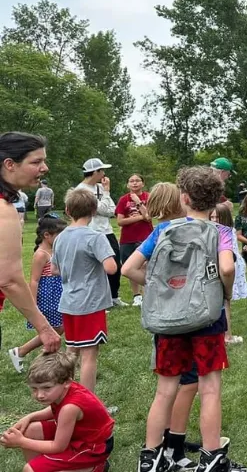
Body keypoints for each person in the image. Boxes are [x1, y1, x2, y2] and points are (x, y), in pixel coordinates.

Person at [122, 166, 244, 472]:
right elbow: (227, 268)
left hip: (169, 320)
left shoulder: (163, 230)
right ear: (216, 200)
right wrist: (225, 292)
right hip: (206, 320)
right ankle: (212, 457)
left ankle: (151, 458)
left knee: (165, 391)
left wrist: (161, 287)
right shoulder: (221, 232)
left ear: (184, 198)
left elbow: (128, 269)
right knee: (210, 389)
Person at [0, 351, 114, 472]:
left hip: (93, 448)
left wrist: (21, 442)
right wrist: (30, 417)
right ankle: (44, 466)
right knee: (30, 430)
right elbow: (55, 408)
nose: (39, 395)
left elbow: (58, 446)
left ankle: (95, 468)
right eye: (34, 388)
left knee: (29, 469)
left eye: (46, 388)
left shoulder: (70, 408)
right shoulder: (64, 389)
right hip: (78, 434)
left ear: (67, 382)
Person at [0, 132, 61, 354]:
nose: (44, 168)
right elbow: (9, 280)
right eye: (36, 162)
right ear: (10, 164)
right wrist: (44, 328)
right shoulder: (3, 209)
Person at [55, 188, 118, 394]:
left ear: (67, 210)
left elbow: (54, 269)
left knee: (71, 351)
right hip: (90, 303)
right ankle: (87, 403)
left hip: (68, 302)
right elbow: (111, 267)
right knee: (89, 355)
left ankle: (66, 396)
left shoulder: (60, 237)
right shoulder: (95, 237)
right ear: (93, 211)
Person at [8, 215, 68, 374]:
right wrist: (33, 303)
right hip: (48, 296)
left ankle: (32, 354)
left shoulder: (54, 250)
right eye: (59, 235)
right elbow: (34, 280)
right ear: (46, 235)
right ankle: (24, 352)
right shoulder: (41, 254)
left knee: (58, 328)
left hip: (57, 294)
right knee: (56, 328)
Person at [76, 158, 126, 307]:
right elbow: (102, 209)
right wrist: (107, 192)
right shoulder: (81, 190)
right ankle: (99, 299)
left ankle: (113, 296)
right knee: (96, 267)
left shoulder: (100, 188)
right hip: (91, 231)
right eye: (102, 170)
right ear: (95, 172)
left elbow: (111, 210)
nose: (104, 173)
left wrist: (105, 194)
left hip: (107, 231)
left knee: (115, 263)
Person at [211, 202, 247, 344]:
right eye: (212, 217)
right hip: (219, 266)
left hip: (227, 266)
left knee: (225, 301)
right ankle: (225, 335)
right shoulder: (216, 231)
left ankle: (227, 335)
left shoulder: (226, 231)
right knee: (221, 301)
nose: (214, 220)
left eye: (217, 217)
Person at [115, 174, 152, 307]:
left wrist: (138, 202)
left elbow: (149, 217)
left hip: (146, 236)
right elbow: (120, 221)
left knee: (146, 265)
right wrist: (140, 217)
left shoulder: (149, 197)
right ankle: (137, 296)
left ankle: (147, 294)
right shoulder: (123, 199)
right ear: (128, 184)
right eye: (131, 181)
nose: (135, 183)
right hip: (128, 238)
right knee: (131, 266)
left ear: (143, 183)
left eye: (137, 181)